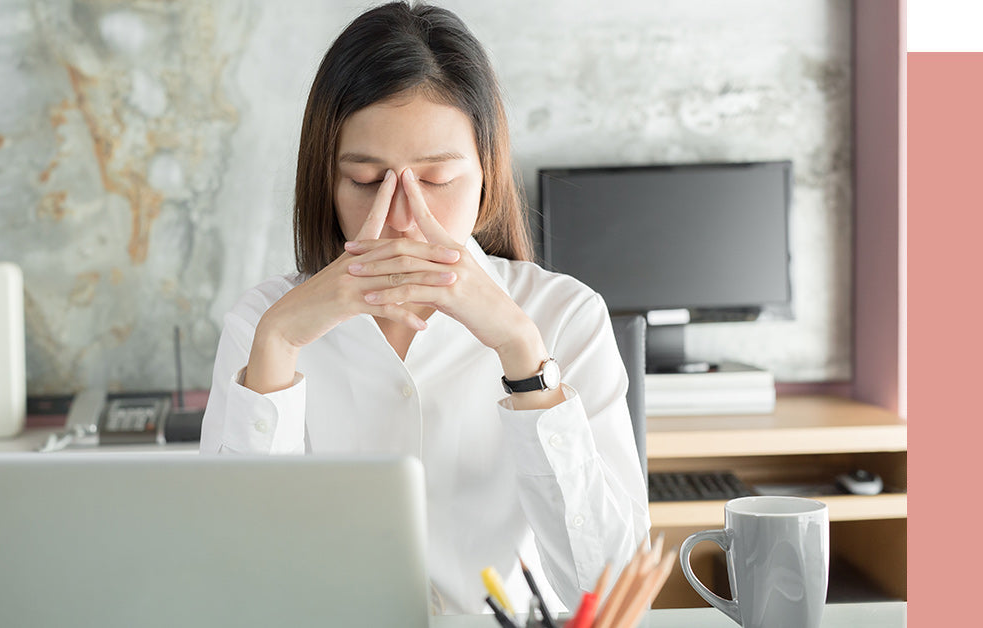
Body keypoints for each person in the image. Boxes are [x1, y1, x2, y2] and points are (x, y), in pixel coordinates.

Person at [200, 1, 649, 615]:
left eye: (437, 181)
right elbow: (227, 586)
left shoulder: (564, 315)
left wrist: (523, 355)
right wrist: (276, 349)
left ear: (487, 175)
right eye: (365, 181)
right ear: (325, 183)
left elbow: (613, 590)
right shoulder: (264, 323)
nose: (406, 220)